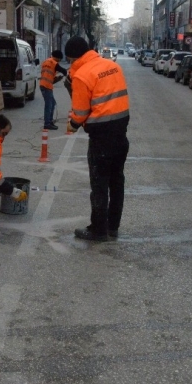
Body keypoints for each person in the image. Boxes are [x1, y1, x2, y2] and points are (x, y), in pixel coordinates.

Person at [64, 36, 130, 242]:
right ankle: (113, 227)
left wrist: (73, 124)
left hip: (101, 137)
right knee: (116, 181)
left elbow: (81, 112)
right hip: (121, 133)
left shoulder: (82, 75)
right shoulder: (112, 66)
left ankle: (98, 230)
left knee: (99, 184)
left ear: (73, 57)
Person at [39, 50, 68, 130]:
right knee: (49, 105)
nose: (59, 61)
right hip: (47, 86)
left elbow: (49, 77)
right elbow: (63, 70)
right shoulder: (53, 62)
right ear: (57, 57)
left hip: (43, 85)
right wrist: (66, 75)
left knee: (52, 104)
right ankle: (47, 123)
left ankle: (49, 121)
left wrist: (58, 78)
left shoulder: (45, 62)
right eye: (59, 59)